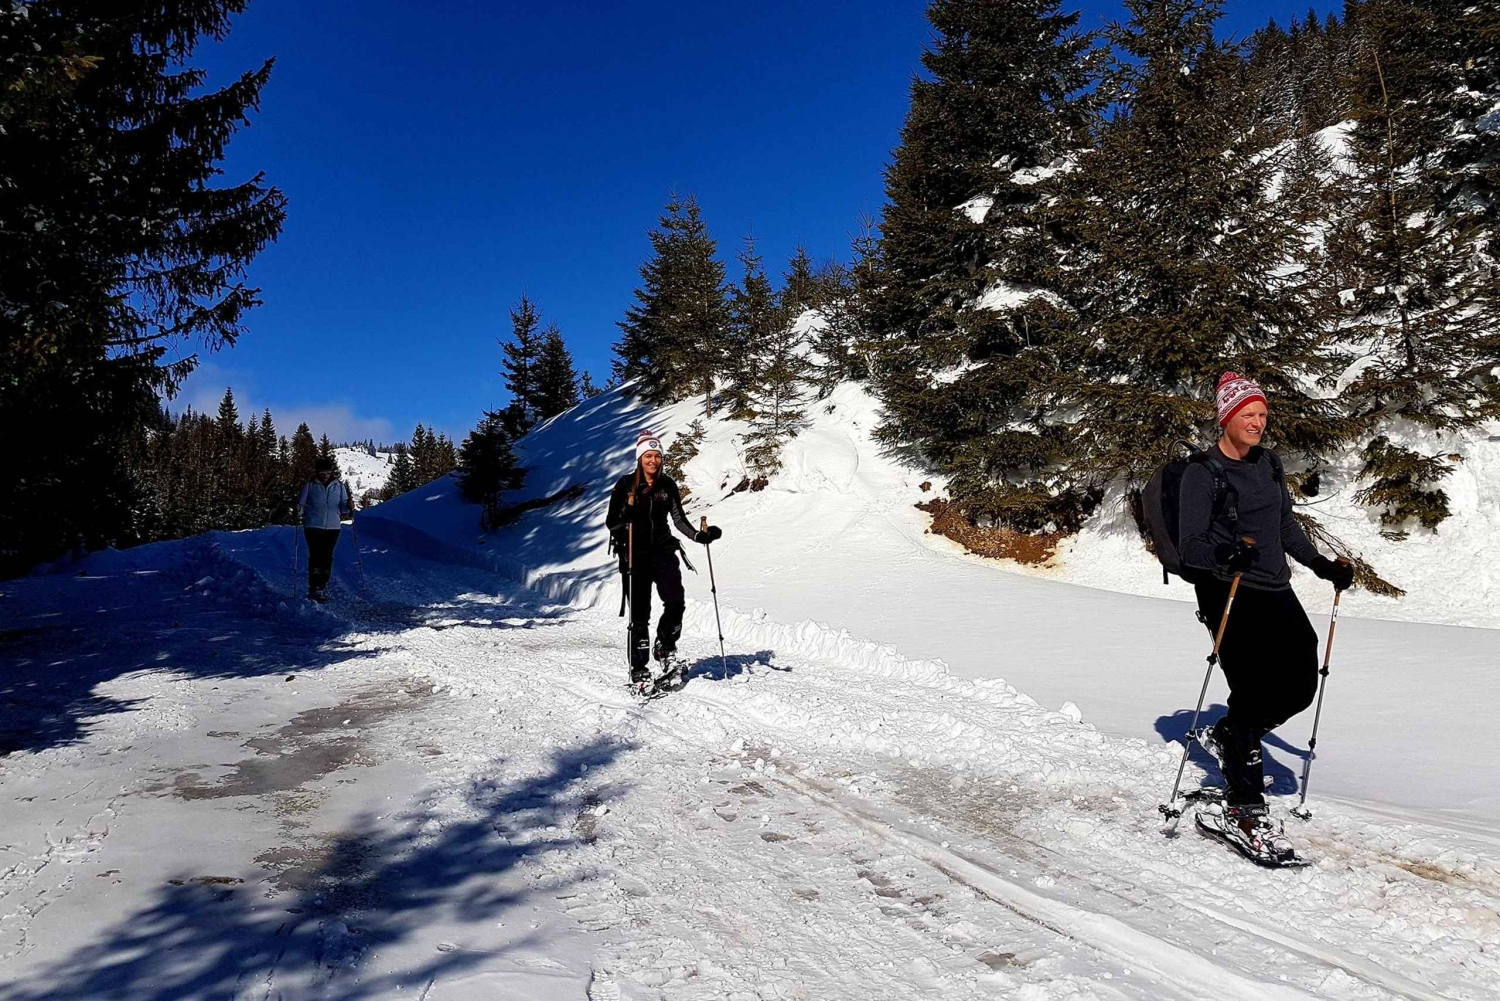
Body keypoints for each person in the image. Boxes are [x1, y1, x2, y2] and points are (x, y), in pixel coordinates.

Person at [1178, 372, 1354, 862]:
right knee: (1253, 691)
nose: (1257, 423)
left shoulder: (1269, 464)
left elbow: (1283, 525)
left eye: (1262, 415)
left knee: (1300, 681)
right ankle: (1245, 807)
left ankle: (1234, 733)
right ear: (1226, 418)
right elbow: (1191, 545)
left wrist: (1321, 565)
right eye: (1248, 415)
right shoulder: (1202, 473)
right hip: (1228, 592)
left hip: (1275, 588)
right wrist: (1224, 556)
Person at [605, 429, 722, 690]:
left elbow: (678, 519)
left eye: (657, 456)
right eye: (648, 455)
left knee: (676, 602)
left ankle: (665, 647)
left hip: (663, 550)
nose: (653, 461)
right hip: (635, 553)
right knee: (640, 614)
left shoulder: (667, 484)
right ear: (639, 458)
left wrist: (699, 537)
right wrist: (628, 515)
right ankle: (639, 668)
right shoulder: (625, 485)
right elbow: (611, 522)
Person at [297, 456, 353, 602]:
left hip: (333, 527)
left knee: (327, 557)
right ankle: (314, 586)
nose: (324, 475)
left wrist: (349, 506)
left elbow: (344, 507)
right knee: (316, 555)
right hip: (313, 525)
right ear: (317, 472)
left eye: (327, 472)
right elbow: (301, 503)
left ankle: (322, 585)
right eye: (322, 473)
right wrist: (298, 511)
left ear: (331, 472)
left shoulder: (339, 486)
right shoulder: (310, 485)